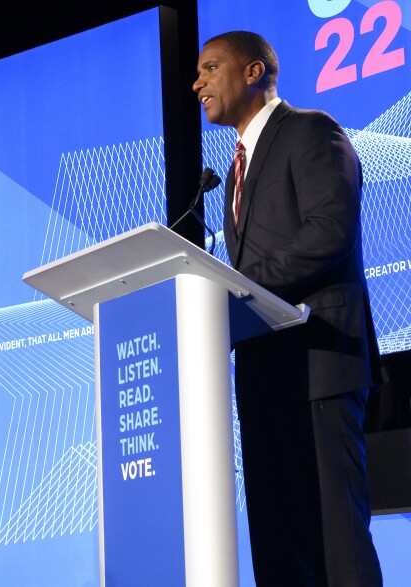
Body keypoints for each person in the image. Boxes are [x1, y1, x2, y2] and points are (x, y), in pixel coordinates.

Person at [193, 32, 382, 586]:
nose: (197, 82)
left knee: (336, 545)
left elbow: (330, 232)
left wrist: (233, 287)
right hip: (263, 375)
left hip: (320, 364)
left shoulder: (311, 132)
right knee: (279, 553)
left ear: (253, 73)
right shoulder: (231, 171)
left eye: (209, 68)